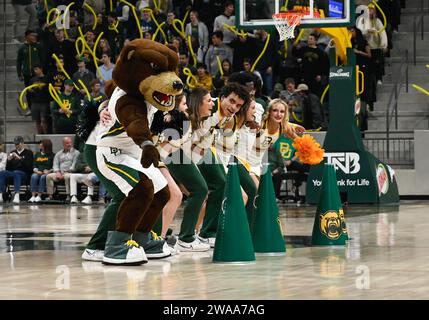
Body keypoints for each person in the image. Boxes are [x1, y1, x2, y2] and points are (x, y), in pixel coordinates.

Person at [0, 136, 34, 204]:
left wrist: (20, 158)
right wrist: (9, 161)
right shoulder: (12, 152)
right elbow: (8, 168)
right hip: (13, 173)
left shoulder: (28, 152)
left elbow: (29, 166)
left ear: (23, 143)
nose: (16, 146)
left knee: (17, 172)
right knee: (2, 173)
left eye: (18, 144)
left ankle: (17, 195)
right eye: (15, 144)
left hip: (24, 173)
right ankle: (1, 194)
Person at [45, 137, 80, 201]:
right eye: (67, 143)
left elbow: (74, 165)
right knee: (48, 176)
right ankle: (50, 195)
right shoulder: (59, 153)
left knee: (67, 176)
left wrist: (66, 172)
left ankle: (68, 196)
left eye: (70, 143)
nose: (69, 144)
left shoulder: (76, 153)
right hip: (60, 173)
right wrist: (57, 172)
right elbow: (55, 164)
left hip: (70, 172)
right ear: (63, 144)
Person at [28, 65, 50, 134]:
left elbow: (50, 90)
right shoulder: (32, 80)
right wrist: (30, 91)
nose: (35, 71)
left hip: (44, 102)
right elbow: (29, 90)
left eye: (37, 69)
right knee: (37, 120)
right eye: (34, 70)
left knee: (44, 120)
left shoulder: (47, 79)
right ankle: (39, 136)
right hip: (35, 102)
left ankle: (46, 135)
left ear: (41, 69)